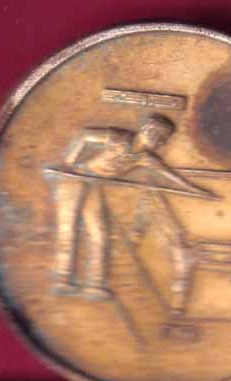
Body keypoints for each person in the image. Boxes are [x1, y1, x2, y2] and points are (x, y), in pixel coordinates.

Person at [46, 114, 206, 311]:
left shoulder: (145, 158)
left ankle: (95, 284)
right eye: (160, 138)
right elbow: (85, 134)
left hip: (94, 182)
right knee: (68, 227)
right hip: (73, 179)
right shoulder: (118, 138)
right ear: (148, 131)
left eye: (164, 140)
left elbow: (171, 177)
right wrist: (69, 163)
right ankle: (62, 279)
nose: (162, 144)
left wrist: (196, 190)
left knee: (99, 232)